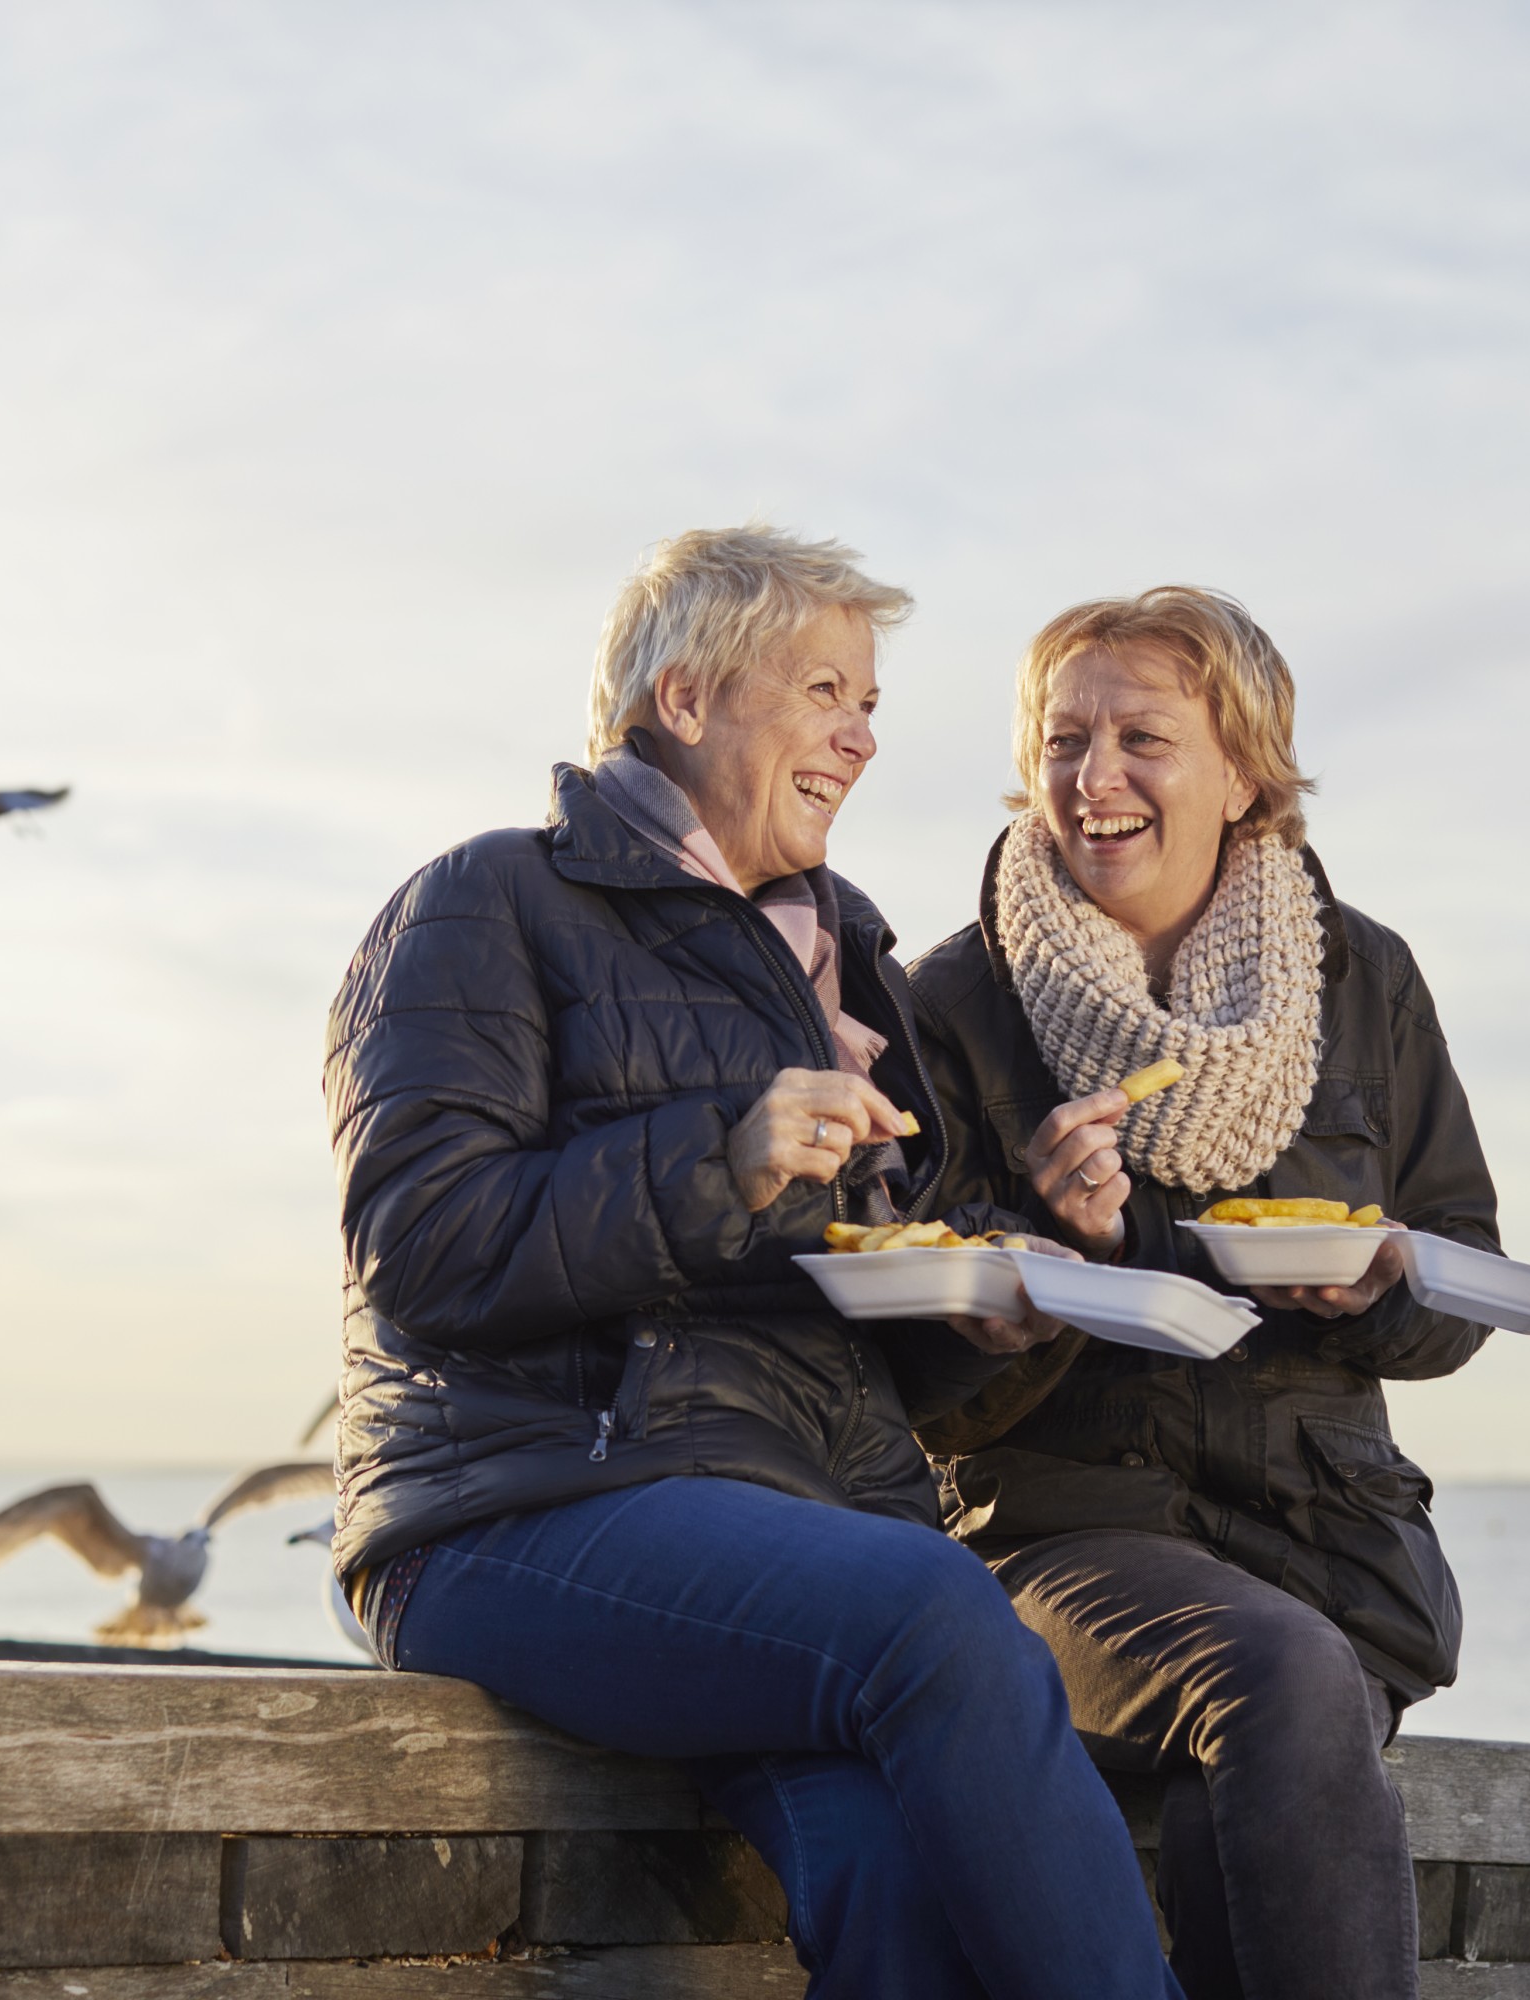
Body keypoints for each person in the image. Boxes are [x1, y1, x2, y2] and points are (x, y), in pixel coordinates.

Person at [321, 527, 1180, 2000]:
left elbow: (866, 1331)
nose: (860, 737)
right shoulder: (484, 904)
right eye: (826, 691)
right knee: (931, 1609)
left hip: (785, 1536)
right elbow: (425, 1246)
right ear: (690, 696)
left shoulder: (847, 959)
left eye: (870, 705)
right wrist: (721, 1156)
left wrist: (1011, 1288)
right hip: (517, 1503)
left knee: (893, 1873)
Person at [908, 587, 1503, 2000]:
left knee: (1265, 1746)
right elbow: (919, 1392)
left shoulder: (1364, 977)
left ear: (1243, 772)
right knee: (1284, 1686)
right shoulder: (952, 1001)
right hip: (1059, 1536)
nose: (1092, 780)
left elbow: (1461, 1272)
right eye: (1064, 739)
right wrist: (1054, 1250)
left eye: (1141, 739)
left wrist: (1374, 1293)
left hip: (1327, 1543)